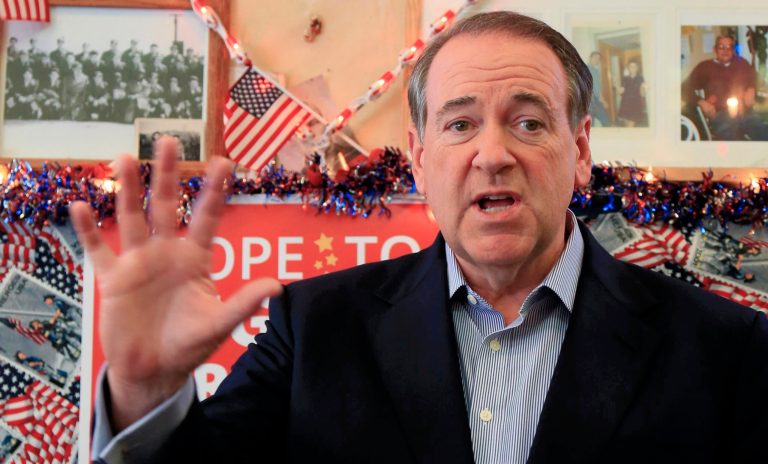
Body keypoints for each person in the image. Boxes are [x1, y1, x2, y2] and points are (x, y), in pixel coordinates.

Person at [77, 12, 768, 463]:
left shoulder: (726, 348)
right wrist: (142, 392)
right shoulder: (314, 328)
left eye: (528, 123)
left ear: (580, 149)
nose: (492, 154)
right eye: (460, 124)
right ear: (418, 156)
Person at [683, 35, 768, 140]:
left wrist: (751, 88)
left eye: (729, 47)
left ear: (733, 50)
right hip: (721, 114)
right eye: (721, 47)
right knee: (730, 144)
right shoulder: (705, 67)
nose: (725, 50)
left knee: (763, 134)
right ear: (715, 49)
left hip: (746, 112)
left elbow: (757, 79)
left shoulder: (741, 63)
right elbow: (683, 88)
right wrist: (701, 102)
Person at [617, 60, 647, 127]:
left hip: (635, 104)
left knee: (631, 126)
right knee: (627, 124)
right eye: (631, 66)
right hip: (625, 104)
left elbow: (642, 94)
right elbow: (620, 92)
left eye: (634, 66)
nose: (632, 68)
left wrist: (643, 88)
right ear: (628, 68)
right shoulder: (625, 78)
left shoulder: (640, 78)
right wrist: (617, 86)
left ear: (637, 68)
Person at [587, 51, 611, 127]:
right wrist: (603, 101)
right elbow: (595, 89)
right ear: (590, 58)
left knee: (590, 126)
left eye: (598, 59)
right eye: (595, 57)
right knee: (606, 123)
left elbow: (597, 88)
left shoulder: (596, 71)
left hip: (592, 101)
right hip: (591, 102)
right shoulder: (587, 69)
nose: (597, 60)